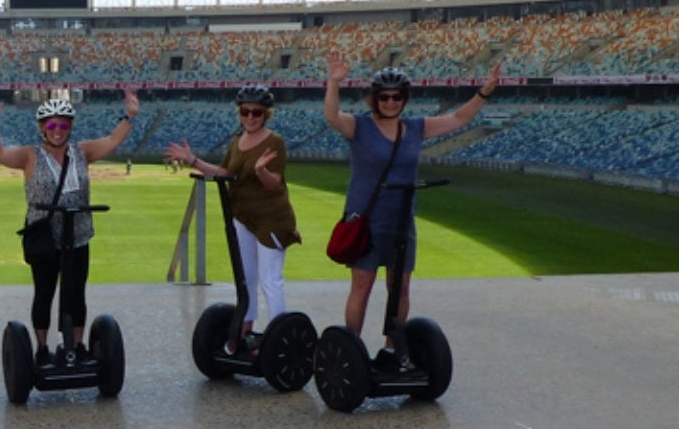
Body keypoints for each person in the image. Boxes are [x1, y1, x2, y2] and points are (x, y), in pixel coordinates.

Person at [323, 54, 499, 370]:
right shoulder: (360, 127)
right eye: (385, 96)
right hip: (366, 219)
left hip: (402, 219)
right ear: (375, 98)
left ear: (405, 99)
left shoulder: (416, 128)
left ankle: (392, 348)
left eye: (397, 97)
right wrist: (334, 81)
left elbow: (459, 119)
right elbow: (332, 116)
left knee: (400, 287)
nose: (391, 102)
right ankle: (352, 349)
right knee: (362, 286)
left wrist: (484, 92)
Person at [0, 88, 141, 365]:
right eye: (52, 124)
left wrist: (130, 116)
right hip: (45, 239)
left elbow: (112, 142)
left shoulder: (82, 152)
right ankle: (42, 348)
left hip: (78, 235)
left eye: (64, 124)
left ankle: (77, 345)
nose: (58, 130)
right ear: (43, 127)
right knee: (44, 292)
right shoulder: (30, 155)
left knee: (76, 292)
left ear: (70, 127)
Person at [165, 83, 300, 352]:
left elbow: (274, 183)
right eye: (245, 112)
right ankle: (245, 329)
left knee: (270, 280)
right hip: (243, 217)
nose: (250, 117)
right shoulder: (237, 141)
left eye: (257, 113)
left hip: (272, 219)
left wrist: (261, 171)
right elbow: (225, 172)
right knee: (246, 278)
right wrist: (193, 160)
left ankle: (278, 340)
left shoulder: (276, 143)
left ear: (266, 114)